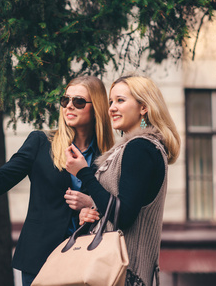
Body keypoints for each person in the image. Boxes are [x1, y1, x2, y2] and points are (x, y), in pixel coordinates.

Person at [0, 76, 114, 286]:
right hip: (41, 258)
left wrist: (91, 205)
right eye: (65, 100)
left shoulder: (110, 155)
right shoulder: (40, 143)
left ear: (97, 108)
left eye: (78, 101)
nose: (69, 106)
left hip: (87, 258)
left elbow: (118, 206)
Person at [65, 74, 180, 286]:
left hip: (124, 273)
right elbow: (122, 204)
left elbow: (123, 215)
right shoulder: (137, 148)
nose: (111, 108)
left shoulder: (140, 148)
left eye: (120, 100)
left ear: (143, 107)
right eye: (110, 102)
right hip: (119, 272)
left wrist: (83, 173)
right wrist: (92, 208)